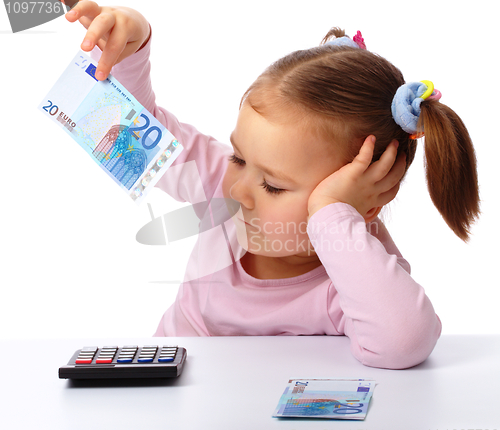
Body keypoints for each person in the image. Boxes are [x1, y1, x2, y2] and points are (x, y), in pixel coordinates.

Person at [64, 1, 479, 369]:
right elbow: (127, 132)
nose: (240, 191)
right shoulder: (225, 183)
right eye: (240, 158)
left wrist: (333, 215)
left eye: (275, 187)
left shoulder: (354, 272)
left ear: (363, 203)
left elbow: (404, 342)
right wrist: (131, 50)